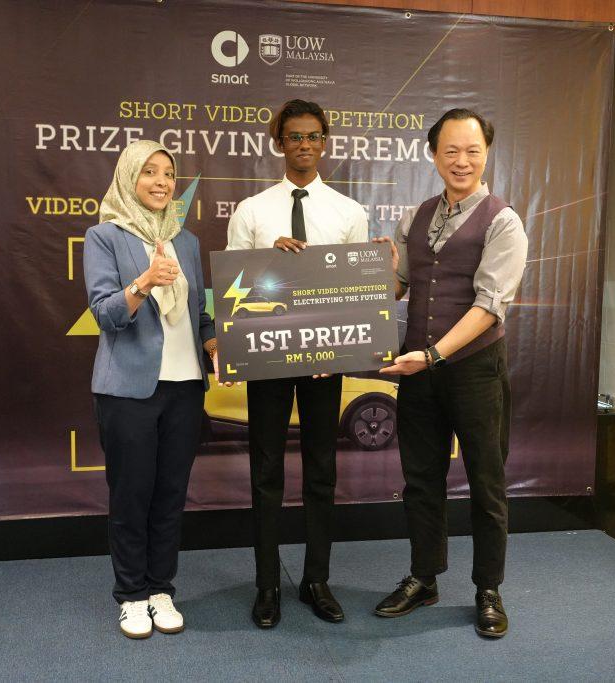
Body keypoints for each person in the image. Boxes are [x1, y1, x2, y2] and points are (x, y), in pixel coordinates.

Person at [373, 109, 528, 638]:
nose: (462, 161)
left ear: (487, 154)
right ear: (433, 155)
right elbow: (397, 286)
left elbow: (489, 307)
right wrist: (367, 277)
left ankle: (488, 589)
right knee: (420, 480)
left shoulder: (503, 221)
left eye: (472, 151)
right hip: (419, 372)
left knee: (487, 482)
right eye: (451, 151)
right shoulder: (414, 218)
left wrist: (434, 354)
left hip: (474, 369)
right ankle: (424, 577)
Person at [226, 99, 369, 628]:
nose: (303, 145)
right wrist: (267, 259)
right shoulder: (252, 211)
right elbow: (233, 289)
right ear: (278, 143)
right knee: (266, 471)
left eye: (312, 136)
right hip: (266, 357)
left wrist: (343, 353)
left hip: (324, 362)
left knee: (321, 470)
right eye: (294, 136)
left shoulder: (349, 213)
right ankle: (267, 585)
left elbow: (354, 294)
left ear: (324, 142)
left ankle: (316, 580)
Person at [84, 141, 217, 639]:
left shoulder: (187, 241)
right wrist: (144, 282)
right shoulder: (104, 236)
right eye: (149, 172)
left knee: (170, 494)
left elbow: (199, 313)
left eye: (168, 173)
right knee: (131, 495)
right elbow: (105, 313)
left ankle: (161, 589)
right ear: (128, 178)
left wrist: (214, 342)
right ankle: (131, 595)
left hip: (186, 387)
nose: (161, 182)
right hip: (128, 390)